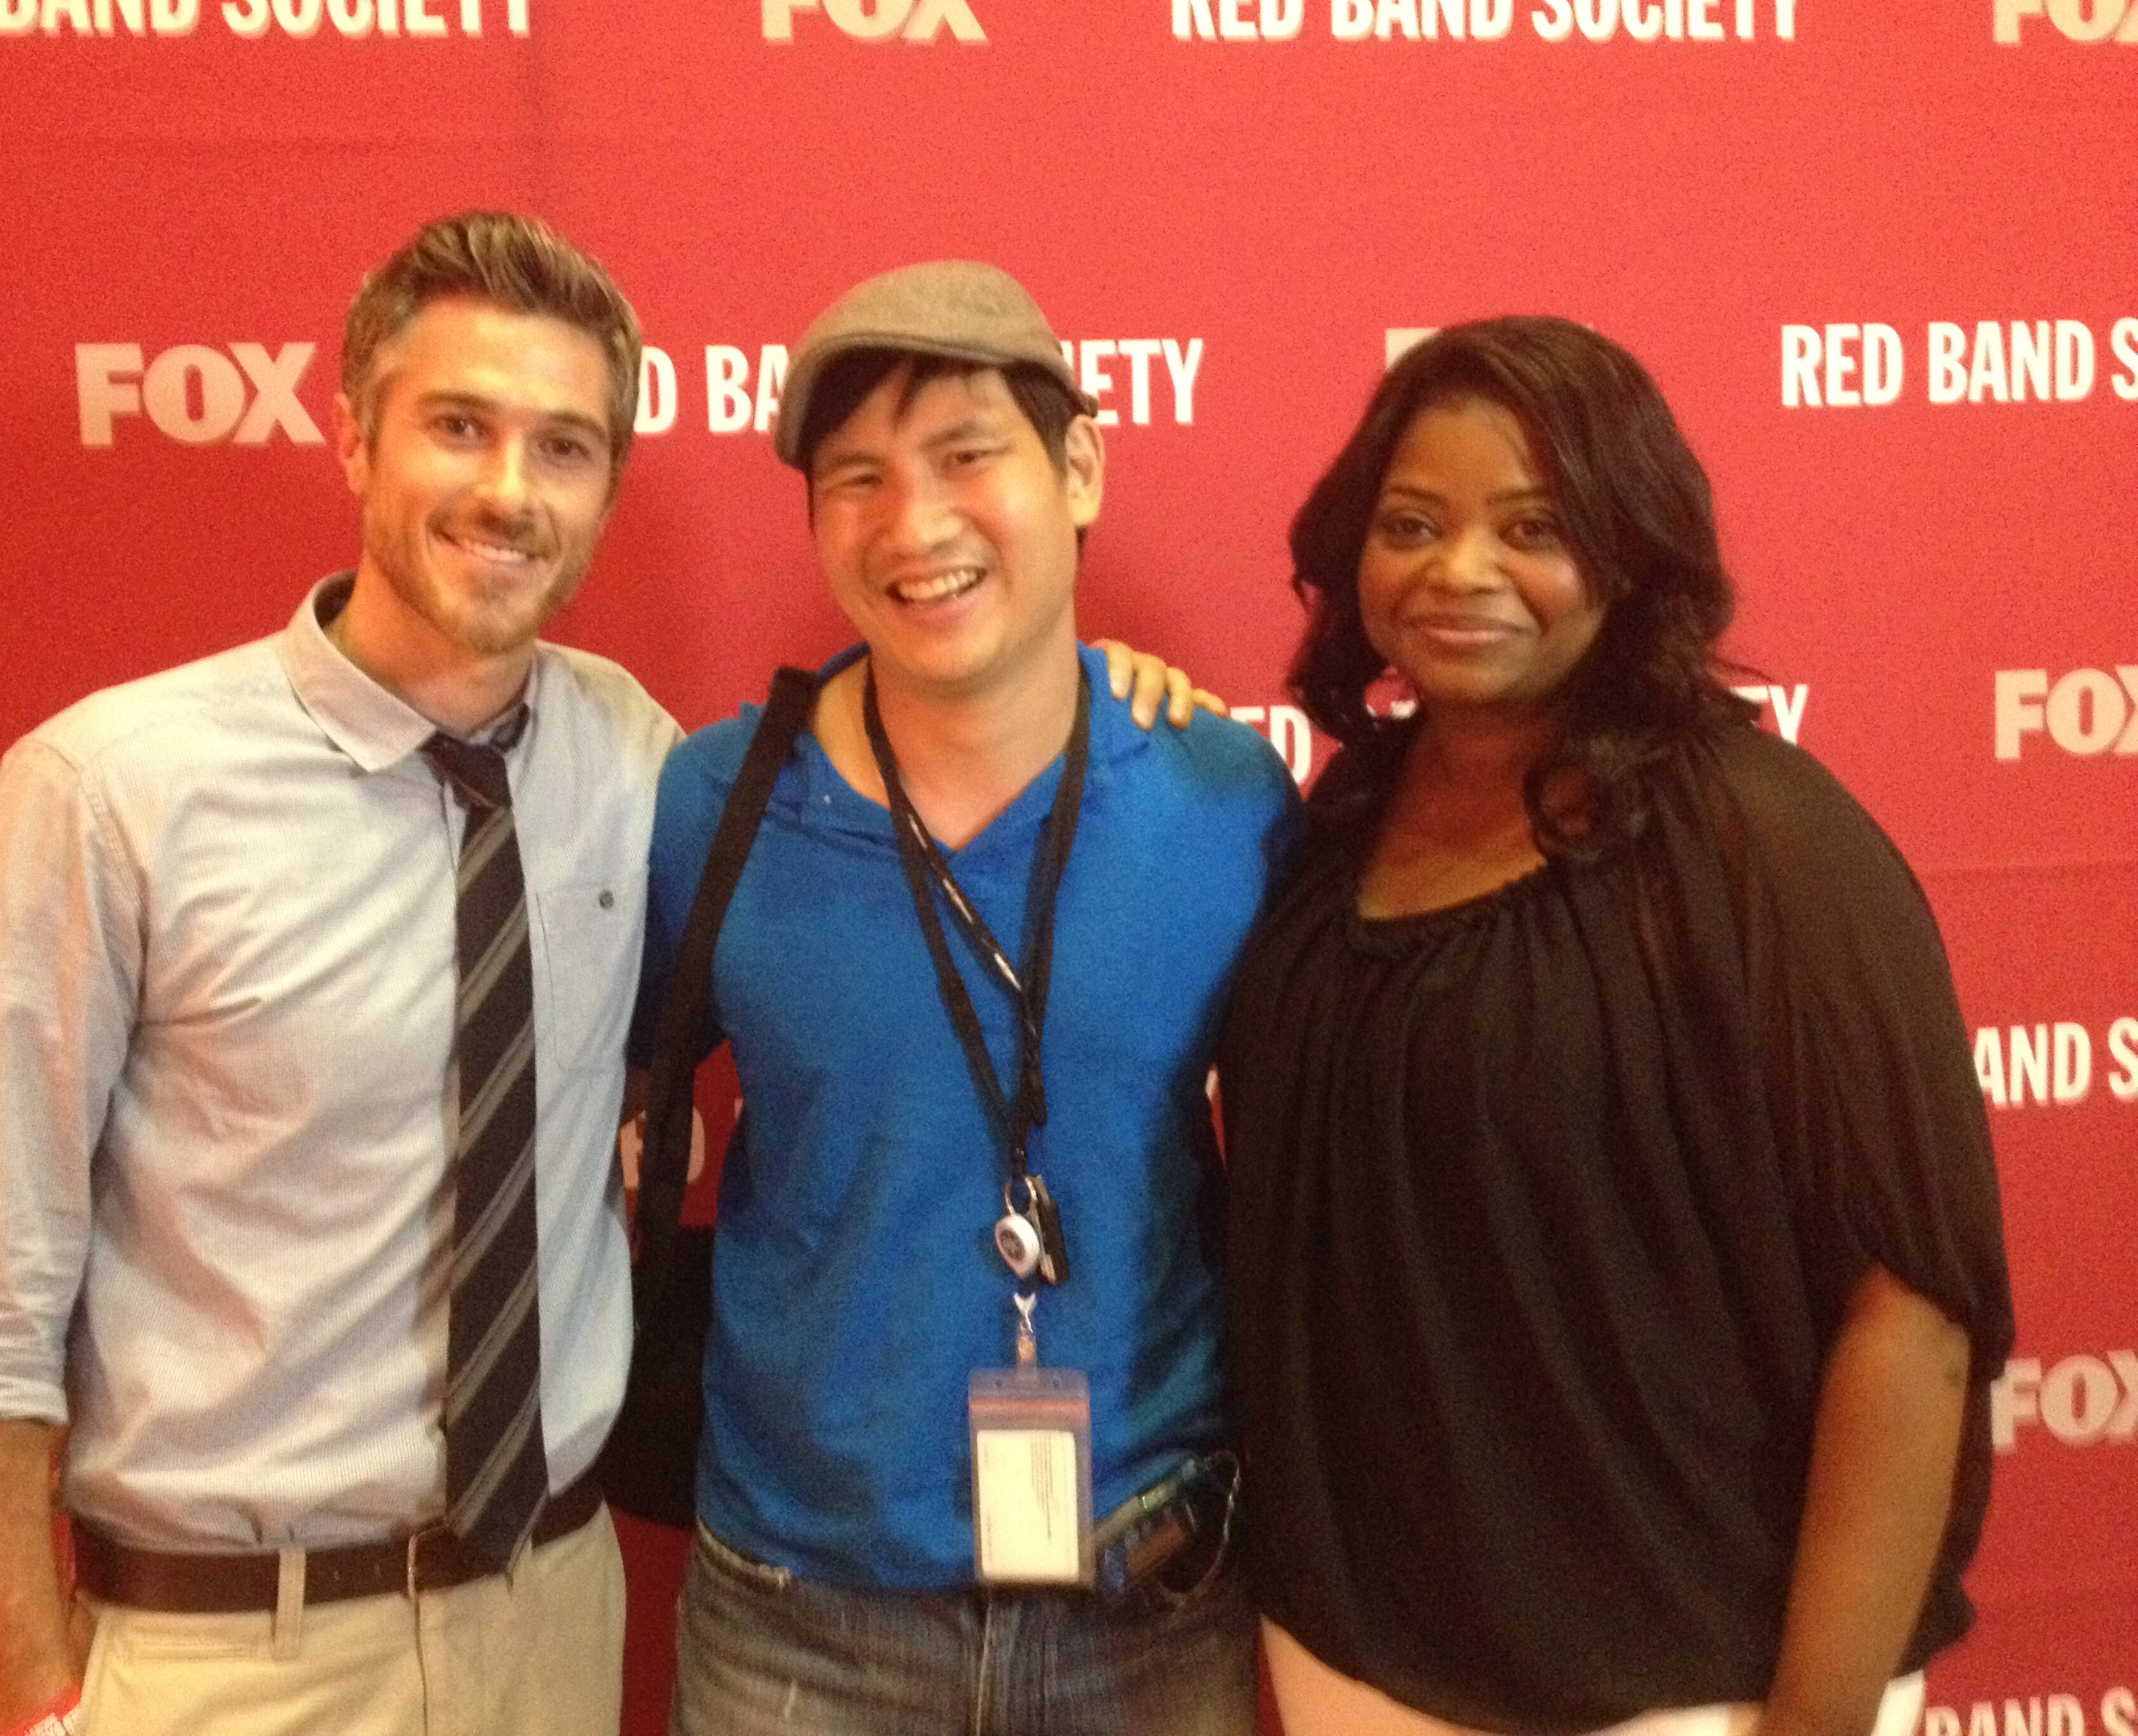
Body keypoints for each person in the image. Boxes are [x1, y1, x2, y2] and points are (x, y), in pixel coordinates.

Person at [0, 210, 676, 1736]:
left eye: (565, 449)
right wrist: (31, 1705)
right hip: (235, 1665)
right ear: (353, 440)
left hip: (555, 1621)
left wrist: (1100, 688)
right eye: (459, 426)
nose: (510, 490)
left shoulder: (632, 752)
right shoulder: (113, 791)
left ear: (608, 490)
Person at [1219, 317, 2013, 1736]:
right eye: (1414, 523)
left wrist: (1812, 1724)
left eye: (1534, 526)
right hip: (1361, 1657)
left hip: (1696, 1680)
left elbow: (1915, 1316)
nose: (1460, 571)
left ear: (1634, 553)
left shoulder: (1761, 844)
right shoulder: (1338, 823)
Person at [636, 261, 1301, 1736]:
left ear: (1079, 469)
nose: (914, 524)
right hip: (796, 1620)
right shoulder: (714, 804)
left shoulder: (1221, 799)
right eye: (856, 478)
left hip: (1152, 1594)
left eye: (965, 456)